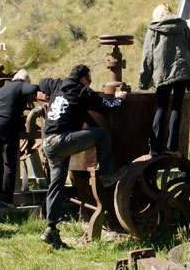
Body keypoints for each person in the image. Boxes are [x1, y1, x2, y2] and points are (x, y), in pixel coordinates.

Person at [38, 64, 128, 248]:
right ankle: (108, 174)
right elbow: (107, 106)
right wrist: (120, 99)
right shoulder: (82, 92)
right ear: (83, 79)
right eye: (89, 80)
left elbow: (41, 83)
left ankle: (51, 229)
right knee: (101, 134)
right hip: (62, 140)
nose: (90, 84)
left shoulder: (57, 84)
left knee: (56, 185)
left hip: (48, 143)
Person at [138, 3, 190, 156]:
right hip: (182, 72)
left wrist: (143, 82)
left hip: (162, 73)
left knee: (161, 107)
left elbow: (147, 56)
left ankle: (155, 148)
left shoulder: (154, 29)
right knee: (177, 107)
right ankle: (172, 148)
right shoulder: (183, 27)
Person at [0, 70, 39, 205]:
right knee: (9, 163)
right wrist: (43, 86)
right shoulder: (21, 85)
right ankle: (7, 199)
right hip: (8, 125)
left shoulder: (3, 88)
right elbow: (34, 88)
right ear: (25, 80)